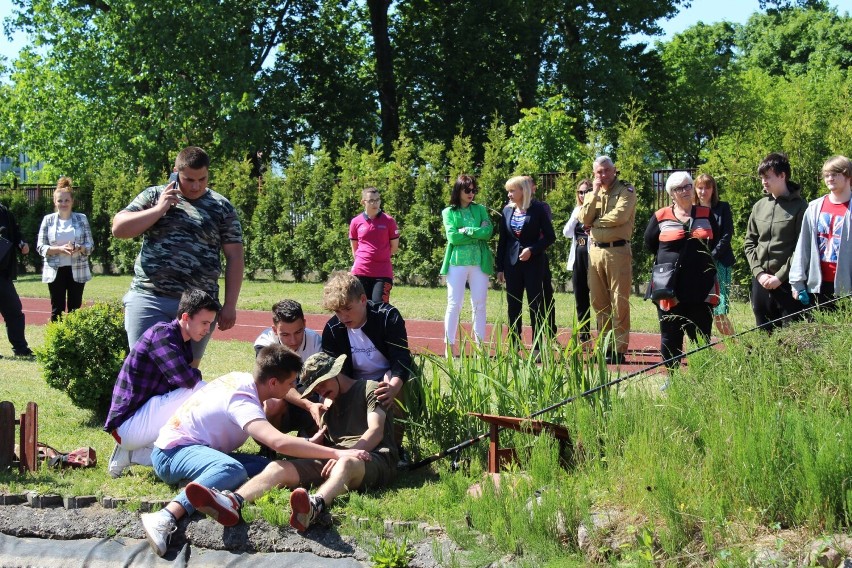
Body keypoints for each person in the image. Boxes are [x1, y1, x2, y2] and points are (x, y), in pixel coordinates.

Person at [139, 345, 371, 557]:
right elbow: (278, 443)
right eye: (290, 383)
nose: (294, 389)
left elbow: (277, 446)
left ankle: (204, 483)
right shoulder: (244, 403)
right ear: (272, 383)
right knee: (232, 469)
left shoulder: (242, 379)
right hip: (171, 454)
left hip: (195, 449)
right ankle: (166, 516)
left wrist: (310, 441)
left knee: (266, 467)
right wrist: (338, 453)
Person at [184, 352, 396, 533]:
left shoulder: (370, 388)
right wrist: (318, 439)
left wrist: (349, 453)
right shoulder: (327, 403)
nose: (320, 392)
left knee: (345, 464)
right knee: (277, 466)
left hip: (374, 457)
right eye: (315, 390)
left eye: (322, 384)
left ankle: (315, 505)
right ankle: (232, 502)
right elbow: (324, 441)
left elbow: (375, 431)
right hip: (338, 457)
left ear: (336, 373)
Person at [111, 146, 244, 363]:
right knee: (143, 368)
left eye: (202, 179)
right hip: (150, 298)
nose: (196, 185)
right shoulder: (155, 195)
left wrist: (230, 305)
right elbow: (119, 228)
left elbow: (235, 257)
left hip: (198, 306)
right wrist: (159, 209)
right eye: (189, 179)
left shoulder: (222, 207)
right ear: (175, 172)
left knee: (185, 374)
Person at [103, 289, 220, 478]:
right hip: (127, 425)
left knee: (195, 402)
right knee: (199, 390)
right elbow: (186, 379)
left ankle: (132, 453)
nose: (208, 329)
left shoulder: (181, 342)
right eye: (204, 323)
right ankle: (135, 450)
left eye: (210, 323)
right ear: (186, 317)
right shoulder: (162, 333)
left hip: (137, 424)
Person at [320, 271, 412, 462]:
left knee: (393, 389)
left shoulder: (387, 317)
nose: (342, 316)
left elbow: (401, 359)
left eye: (347, 308)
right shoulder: (332, 329)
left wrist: (394, 387)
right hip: (353, 382)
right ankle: (347, 445)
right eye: (337, 311)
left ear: (363, 299)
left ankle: (395, 448)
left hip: (387, 375)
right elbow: (335, 373)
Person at [644, 172, 719, 371]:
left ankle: (702, 377)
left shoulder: (706, 214)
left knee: (701, 335)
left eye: (687, 186)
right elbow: (650, 243)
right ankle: (672, 379)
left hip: (701, 285)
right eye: (679, 188)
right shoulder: (660, 216)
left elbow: (716, 239)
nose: (685, 191)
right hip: (670, 287)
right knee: (670, 335)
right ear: (671, 194)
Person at [579, 156, 637, 365]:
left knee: (619, 301)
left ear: (614, 170)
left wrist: (595, 225)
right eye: (598, 172)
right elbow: (583, 217)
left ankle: (619, 348)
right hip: (595, 252)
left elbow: (619, 217)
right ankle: (605, 347)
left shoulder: (625, 190)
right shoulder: (593, 192)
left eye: (606, 171)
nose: (602, 175)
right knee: (599, 303)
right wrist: (593, 193)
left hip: (617, 251)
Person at [743, 152, 808, 331]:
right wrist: (759, 274)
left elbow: (801, 248)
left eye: (768, 177)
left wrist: (780, 277)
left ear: (782, 175)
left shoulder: (801, 207)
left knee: (790, 339)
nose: (764, 181)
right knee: (764, 336)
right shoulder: (759, 206)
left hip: (788, 284)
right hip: (761, 282)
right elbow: (749, 243)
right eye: (762, 177)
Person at [496, 175, 555, 353]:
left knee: (535, 305)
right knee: (513, 305)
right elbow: (503, 241)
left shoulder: (538, 210)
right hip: (512, 264)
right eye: (508, 191)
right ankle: (514, 345)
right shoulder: (507, 210)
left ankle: (537, 347)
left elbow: (550, 237)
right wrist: (500, 268)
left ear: (524, 190)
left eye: (512, 190)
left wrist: (532, 249)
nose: (509, 194)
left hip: (534, 264)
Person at [254, 299, 324, 439]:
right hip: (283, 400)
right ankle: (269, 445)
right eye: (285, 335)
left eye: (298, 332)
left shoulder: (316, 341)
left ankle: (308, 437)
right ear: (274, 330)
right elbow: (276, 385)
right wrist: (309, 405)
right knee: (273, 403)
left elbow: (321, 384)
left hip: (308, 399)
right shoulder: (265, 344)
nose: (293, 341)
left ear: (305, 323)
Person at [440, 174, 493, 356]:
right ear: (458, 190)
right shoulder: (449, 212)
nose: (471, 193)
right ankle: (449, 347)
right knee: (454, 303)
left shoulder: (480, 209)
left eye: (474, 190)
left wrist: (469, 230)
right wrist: (477, 232)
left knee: (479, 304)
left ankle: (479, 348)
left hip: (479, 262)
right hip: (457, 263)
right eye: (467, 190)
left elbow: (488, 233)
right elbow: (452, 237)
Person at [790, 155, 852, 306]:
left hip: (847, 287)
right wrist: (797, 282)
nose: (830, 178)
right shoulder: (814, 208)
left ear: (848, 175)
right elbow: (803, 246)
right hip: (817, 287)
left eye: (835, 174)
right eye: (827, 175)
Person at [36, 177, 94, 321]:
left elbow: (90, 246)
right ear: (55, 202)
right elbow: (40, 247)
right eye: (60, 201)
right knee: (57, 310)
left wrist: (79, 248)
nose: (63, 203)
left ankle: (73, 342)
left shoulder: (82, 219)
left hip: (77, 270)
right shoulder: (48, 220)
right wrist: (59, 249)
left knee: (75, 309)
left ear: (72, 201)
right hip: (55, 271)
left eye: (67, 200)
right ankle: (57, 342)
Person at [694, 174, 736, 336]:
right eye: (700, 187)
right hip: (698, 266)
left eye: (707, 187)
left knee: (719, 310)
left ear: (713, 189)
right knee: (701, 309)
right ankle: (703, 346)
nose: (703, 191)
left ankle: (736, 347)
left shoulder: (723, 208)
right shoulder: (692, 211)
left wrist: (712, 256)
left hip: (720, 262)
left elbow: (727, 235)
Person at [349, 187, 400, 304]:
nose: (375, 203)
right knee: (361, 307)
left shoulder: (389, 221)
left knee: (379, 308)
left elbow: (394, 247)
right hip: (361, 271)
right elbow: (355, 249)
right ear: (363, 202)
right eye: (371, 200)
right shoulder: (355, 222)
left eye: (377, 200)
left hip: (383, 273)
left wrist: (380, 256)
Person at [0, 201, 33, 358]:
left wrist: (22, 243)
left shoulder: (4, 211)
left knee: (14, 310)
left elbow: (15, 232)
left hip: (3, 273)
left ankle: (20, 348)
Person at [562, 179, 593, 342]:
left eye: (587, 191)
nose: (583, 195)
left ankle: (604, 334)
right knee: (580, 298)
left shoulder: (598, 209)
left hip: (593, 259)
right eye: (580, 192)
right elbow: (566, 233)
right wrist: (576, 216)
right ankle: (584, 333)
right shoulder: (576, 210)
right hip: (578, 259)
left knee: (598, 298)